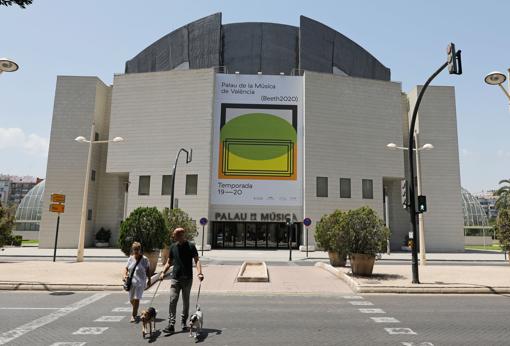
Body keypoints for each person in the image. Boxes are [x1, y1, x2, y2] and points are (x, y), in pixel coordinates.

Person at [160, 227, 204, 334]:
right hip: (175, 278)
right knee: (172, 300)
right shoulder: (173, 247)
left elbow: (197, 260)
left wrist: (200, 272)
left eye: (175, 235)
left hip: (187, 279)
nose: (173, 237)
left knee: (185, 302)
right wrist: (163, 272)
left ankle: (184, 322)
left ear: (181, 235)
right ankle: (171, 324)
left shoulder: (191, 246)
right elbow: (169, 262)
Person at [124, 241, 151, 322]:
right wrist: (125, 275)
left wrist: (149, 280)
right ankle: (136, 309)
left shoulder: (144, 259)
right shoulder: (130, 259)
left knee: (136, 299)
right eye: (134, 249)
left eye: (137, 249)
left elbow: (148, 270)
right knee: (131, 300)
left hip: (140, 283)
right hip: (131, 283)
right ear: (132, 250)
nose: (136, 251)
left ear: (140, 249)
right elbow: (126, 268)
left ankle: (133, 315)